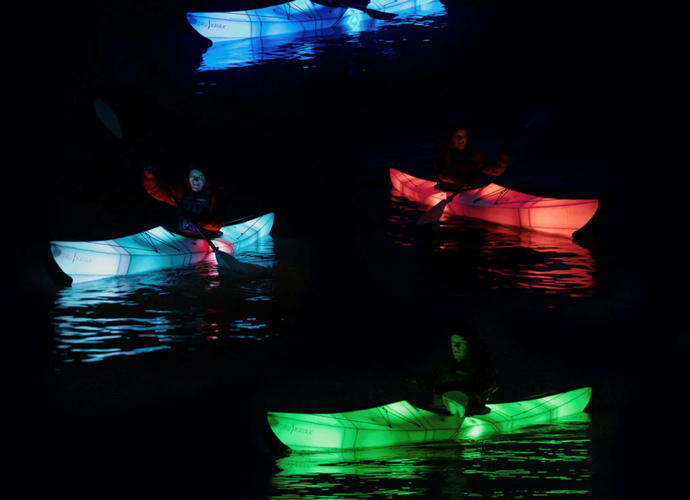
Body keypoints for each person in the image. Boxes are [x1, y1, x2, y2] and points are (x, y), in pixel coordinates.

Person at [408, 327, 498, 416]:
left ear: (471, 344)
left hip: (465, 415)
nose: (456, 346)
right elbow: (429, 379)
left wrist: (449, 387)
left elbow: (480, 388)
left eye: (462, 342)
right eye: (453, 342)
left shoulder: (482, 366)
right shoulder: (445, 364)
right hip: (438, 413)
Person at [141, 163, 227, 237]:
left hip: (203, 238)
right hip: (181, 236)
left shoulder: (215, 196)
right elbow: (155, 190)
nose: (195, 180)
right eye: (192, 176)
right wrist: (148, 175)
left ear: (206, 179)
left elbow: (218, 224)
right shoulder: (182, 192)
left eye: (199, 177)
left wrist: (198, 219)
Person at [433, 121, 513, 189]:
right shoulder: (444, 153)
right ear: (451, 137)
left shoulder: (474, 154)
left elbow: (495, 170)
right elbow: (443, 174)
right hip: (451, 193)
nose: (461, 139)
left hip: (471, 194)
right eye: (457, 136)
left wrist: (505, 154)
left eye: (463, 135)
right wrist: (462, 181)